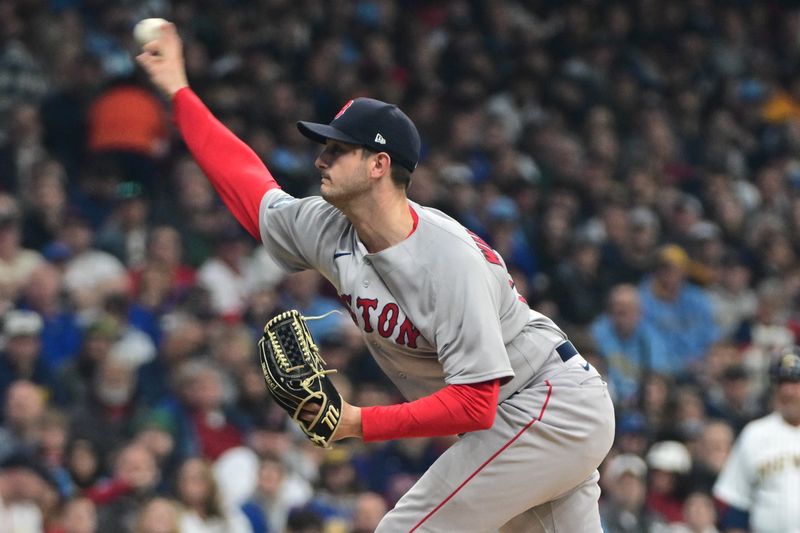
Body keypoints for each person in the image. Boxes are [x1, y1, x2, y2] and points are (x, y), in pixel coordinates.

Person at [136, 23, 615, 532]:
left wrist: (357, 422)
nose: (321, 157)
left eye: (338, 149)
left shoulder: (447, 259)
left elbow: (475, 403)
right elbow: (247, 185)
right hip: (521, 423)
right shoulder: (327, 225)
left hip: (547, 404)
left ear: (378, 165)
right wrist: (179, 91)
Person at [713, 347, 800, 533]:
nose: (787, 391)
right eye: (781, 382)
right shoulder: (755, 434)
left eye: (794, 382)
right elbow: (736, 503)